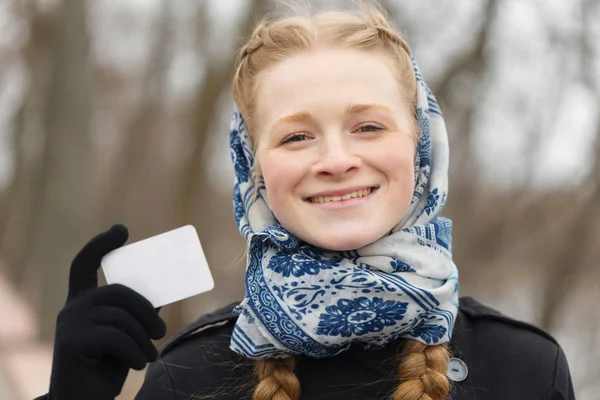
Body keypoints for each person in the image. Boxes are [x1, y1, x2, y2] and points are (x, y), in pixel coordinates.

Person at [34, 4, 575, 400]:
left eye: (367, 126)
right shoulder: (189, 375)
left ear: (422, 148)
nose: (337, 159)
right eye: (296, 137)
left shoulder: (525, 369)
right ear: (255, 171)